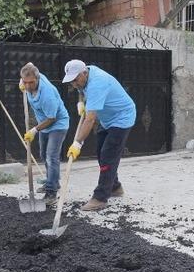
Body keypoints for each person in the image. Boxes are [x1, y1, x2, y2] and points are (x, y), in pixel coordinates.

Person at [62, 59, 136, 211]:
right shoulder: (86, 74)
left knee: (108, 155)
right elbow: (81, 91)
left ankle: (100, 197)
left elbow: (89, 120)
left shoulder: (97, 83)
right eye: (71, 82)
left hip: (122, 117)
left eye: (75, 80)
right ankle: (114, 187)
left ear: (83, 73)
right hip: (107, 118)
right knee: (100, 153)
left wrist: (77, 143)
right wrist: (81, 103)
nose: (74, 84)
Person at [19, 62, 70, 204]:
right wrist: (20, 82)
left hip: (57, 124)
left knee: (51, 157)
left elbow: (52, 118)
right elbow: (29, 65)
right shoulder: (30, 77)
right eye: (25, 82)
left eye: (31, 83)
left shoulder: (47, 93)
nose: (28, 86)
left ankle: (51, 193)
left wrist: (34, 130)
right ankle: (53, 181)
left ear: (38, 79)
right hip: (45, 124)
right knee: (43, 155)